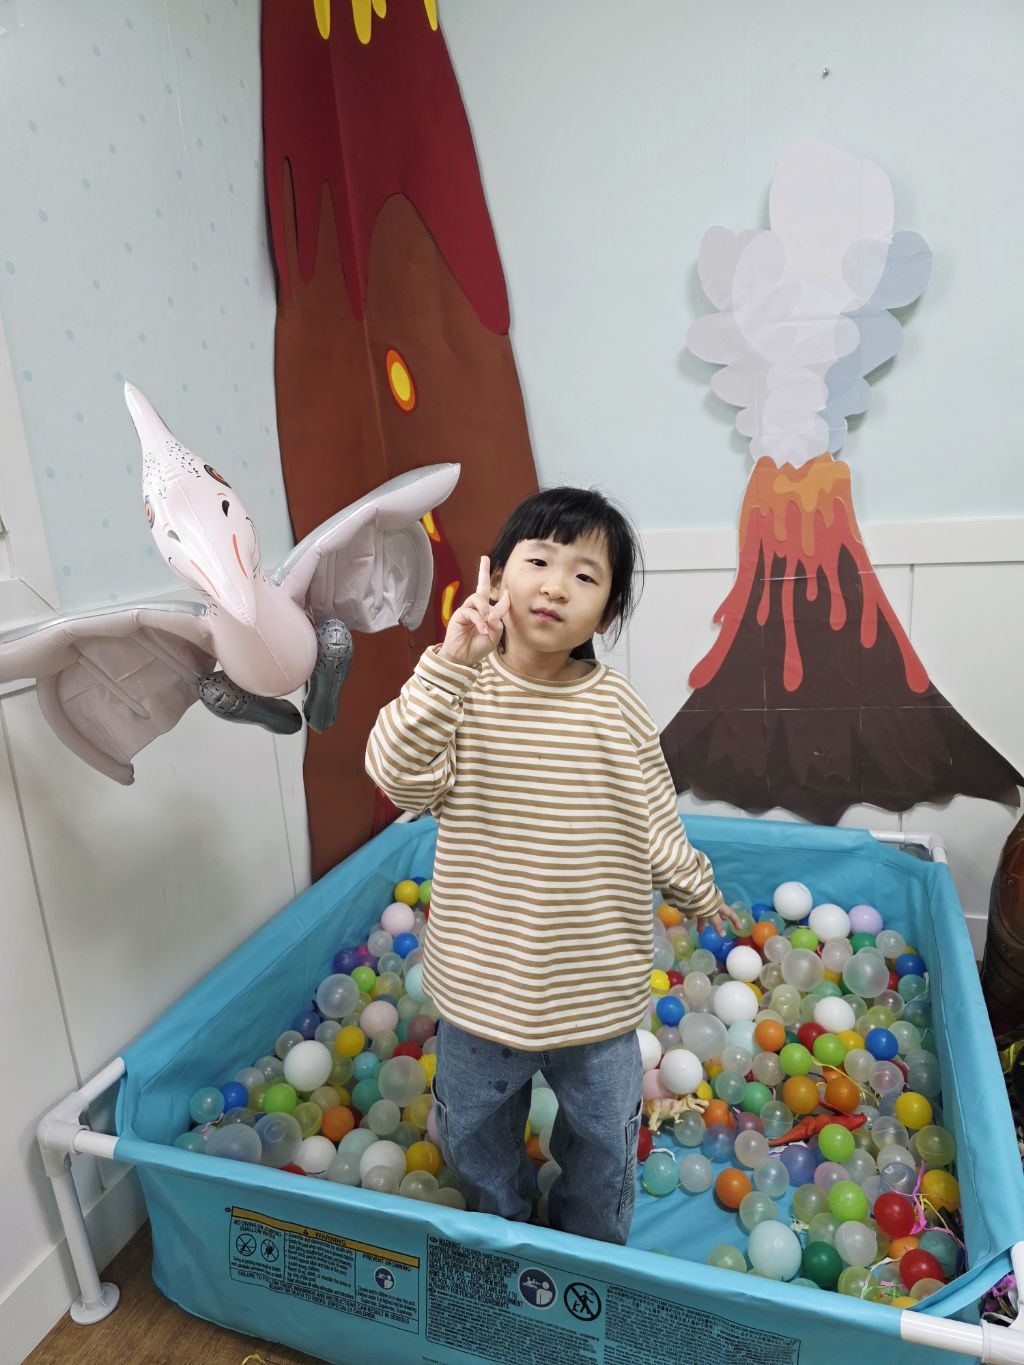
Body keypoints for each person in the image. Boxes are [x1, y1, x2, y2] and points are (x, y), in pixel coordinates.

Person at [365, 486, 738, 1243]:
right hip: (483, 987)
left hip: (593, 993)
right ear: (497, 577)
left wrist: (699, 889)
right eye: (538, 561)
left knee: (603, 1142)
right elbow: (397, 776)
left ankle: (589, 1248)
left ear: (605, 614)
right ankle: (500, 1225)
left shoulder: (616, 707)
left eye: (585, 575)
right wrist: (450, 664)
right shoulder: (460, 691)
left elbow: (655, 821)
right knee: (472, 1129)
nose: (556, 585)